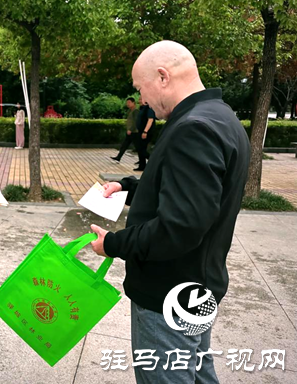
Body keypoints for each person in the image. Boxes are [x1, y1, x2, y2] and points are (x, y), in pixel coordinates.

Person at [90, 40, 251, 384]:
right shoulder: (220, 117)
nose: (142, 99)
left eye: (140, 88)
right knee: (198, 374)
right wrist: (128, 187)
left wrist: (113, 244)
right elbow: (193, 195)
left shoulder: (194, 128)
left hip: (169, 294)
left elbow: (178, 227)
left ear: (163, 77)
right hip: (196, 286)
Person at [111, 97, 138, 162]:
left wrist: (131, 129)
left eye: (129, 102)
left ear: (133, 103)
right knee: (124, 145)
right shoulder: (129, 111)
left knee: (139, 148)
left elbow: (136, 122)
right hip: (130, 132)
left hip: (134, 132)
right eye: (127, 103)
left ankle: (149, 158)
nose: (127, 104)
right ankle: (118, 157)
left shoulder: (136, 111)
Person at [134, 96, 155, 171]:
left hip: (145, 132)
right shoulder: (142, 108)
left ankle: (153, 160)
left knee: (142, 149)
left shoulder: (149, 108)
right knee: (139, 149)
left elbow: (150, 120)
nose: (139, 101)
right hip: (140, 131)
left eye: (140, 99)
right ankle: (142, 165)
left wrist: (145, 131)